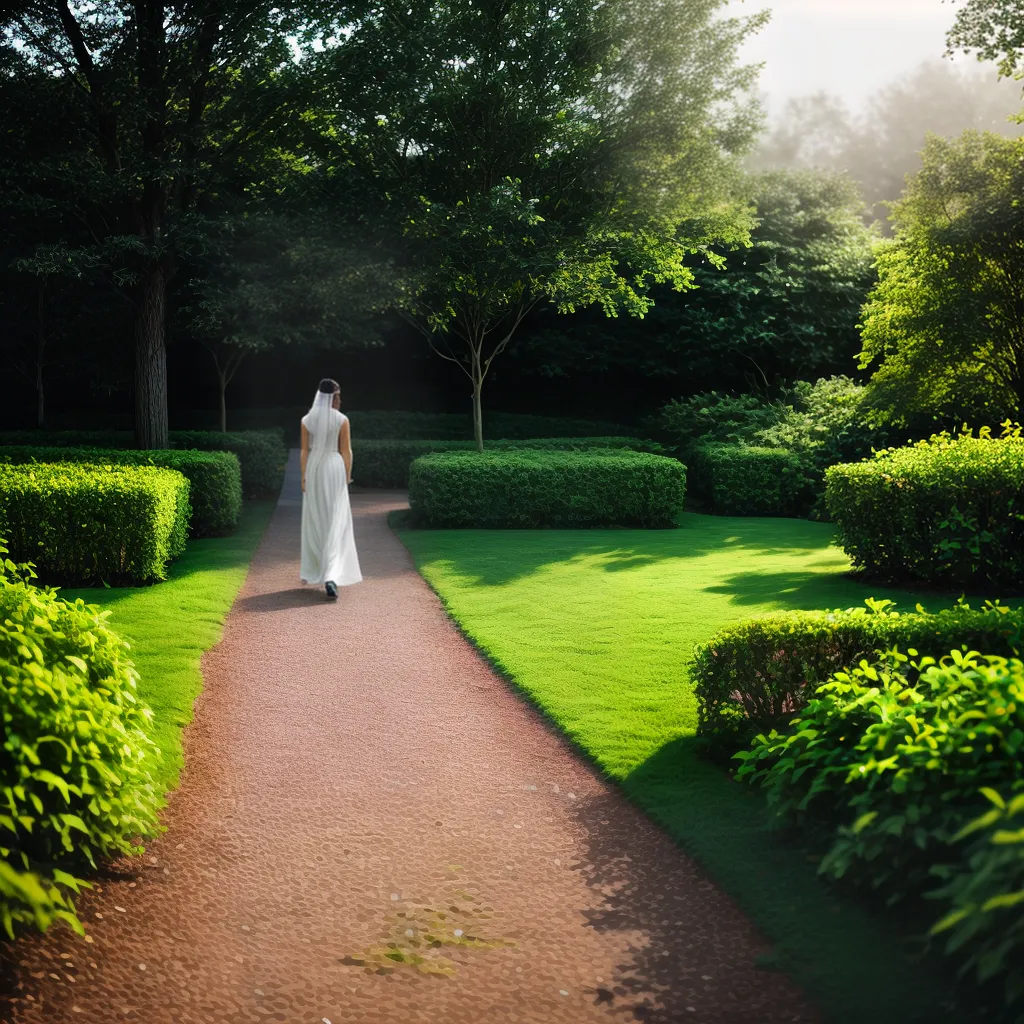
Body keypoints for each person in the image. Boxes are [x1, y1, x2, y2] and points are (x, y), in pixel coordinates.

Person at [300, 378, 362, 599]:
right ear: (333, 397)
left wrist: (303, 476)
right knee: (335, 520)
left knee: (316, 519)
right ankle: (331, 574)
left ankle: (319, 569)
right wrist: (347, 475)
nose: (341, 400)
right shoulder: (342, 420)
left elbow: (304, 452)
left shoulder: (307, 420)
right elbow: (347, 451)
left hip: (315, 468)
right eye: (339, 396)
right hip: (334, 468)